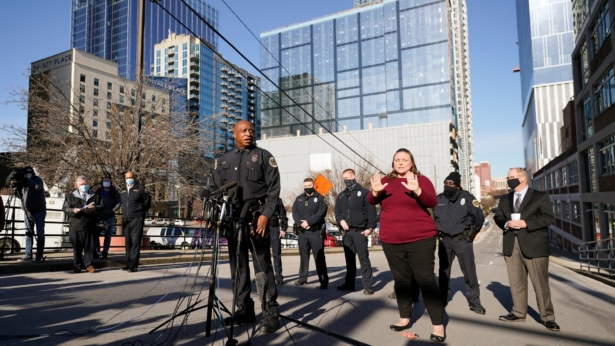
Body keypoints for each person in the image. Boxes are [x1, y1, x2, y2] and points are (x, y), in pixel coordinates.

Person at [209, 120, 281, 334]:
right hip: (233, 220)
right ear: (234, 134)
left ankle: (270, 311)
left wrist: (266, 216)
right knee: (238, 269)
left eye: (251, 130)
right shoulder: (223, 160)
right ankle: (244, 309)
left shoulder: (264, 156)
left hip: (256, 219)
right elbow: (213, 187)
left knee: (262, 268)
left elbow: (273, 191)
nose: (248, 133)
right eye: (243, 130)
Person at [367, 148, 445, 342]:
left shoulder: (422, 179)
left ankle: (438, 325)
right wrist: (375, 191)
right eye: (397, 160)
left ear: (411, 162)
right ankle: (404, 318)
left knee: (425, 279)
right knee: (401, 280)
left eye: (405, 160)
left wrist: (416, 189)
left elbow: (432, 201)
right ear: (393, 162)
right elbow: (371, 200)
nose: (400, 162)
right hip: (391, 240)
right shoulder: (385, 181)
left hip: (421, 238)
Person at [494, 167, 560, 332]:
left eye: (511, 177)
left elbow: (548, 217)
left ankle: (548, 317)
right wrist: (506, 223)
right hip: (511, 244)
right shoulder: (504, 199)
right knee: (516, 283)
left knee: (540, 284)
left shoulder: (539, 196)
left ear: (522, 178)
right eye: (507, 177)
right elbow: (498, 216)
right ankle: (518, 312)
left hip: (535, 245)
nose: (509, 180)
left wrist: (526, 224)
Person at [434, 172, 485, 314]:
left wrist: (471, 234)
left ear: (457, 185)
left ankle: (475, 302)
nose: (448, 186)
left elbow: (479, 218)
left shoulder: (468, 198)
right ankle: (442, 299)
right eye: (446, 183)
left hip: (462, 241)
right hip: (445, 241)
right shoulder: (438, 199)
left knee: (469, 273)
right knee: (443, 272)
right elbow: (434, 218)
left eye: (451, 184)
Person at [334, 168, 377, 295]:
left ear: (353, 176)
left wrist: (370, 228)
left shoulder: (364, 193)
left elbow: (371, 212)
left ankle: (368, 285)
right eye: (344, 179)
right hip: (347, 233)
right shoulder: (341, 195)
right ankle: (349, 283)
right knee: (349, 260)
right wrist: (341, 221)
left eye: (347, 178)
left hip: (360, 231)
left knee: (364, 259)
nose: (345, 181)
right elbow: (337, 212)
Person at [292, 178, 329, 289]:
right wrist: (300, 223)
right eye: (305, 186)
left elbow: (320, 214)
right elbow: (295, 213)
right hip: (302, 232)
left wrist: (309, 222)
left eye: (309, 185)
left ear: (314, 185)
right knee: (303, 256)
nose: (307, 187)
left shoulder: (321, 198)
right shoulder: (299, 199)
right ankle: (302, 278)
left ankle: (323, 280)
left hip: (315, 232)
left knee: (319, 256)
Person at [62, 176, 103, 273]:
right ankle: (77, 265)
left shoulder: (95, 195)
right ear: (76, 185)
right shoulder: (70, 196)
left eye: (85, 184)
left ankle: (89, 265)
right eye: (82, 184)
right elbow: (65, 208)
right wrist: (73, 210)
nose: (84, 186)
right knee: (77, 247)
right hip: (76, 226)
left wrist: (95, 208)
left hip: (90, 225)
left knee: (89, 247)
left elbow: (102, 206)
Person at [12, 167, 47, 262]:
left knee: (40, 233)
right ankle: (28, 254)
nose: (28, 174)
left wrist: (27, 179)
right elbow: (20, 196)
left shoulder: (37, 179)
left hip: (39, 210)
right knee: (28, 233)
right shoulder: (23, 182)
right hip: (27, 211)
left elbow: (36, 187)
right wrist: (16, 187)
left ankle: (39, 255)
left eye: (29, 172)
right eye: (26, 173)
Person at [119, 170, 151, 272]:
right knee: (128, 242)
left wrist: (139, 208)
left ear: (134, 177)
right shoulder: (123, 189)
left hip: (137, 218)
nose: (129, 179)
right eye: (127, 178)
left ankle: (134, 265)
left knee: (135, 242)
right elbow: (120, 202)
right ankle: (129, 263)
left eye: (130, 177)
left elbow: (147, 202)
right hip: (126, 218)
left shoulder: (140, 188)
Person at [94, 176, 122, 259]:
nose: (106, 182)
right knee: (96, 234)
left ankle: (105, 251)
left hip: (110, 216)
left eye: (108, 181)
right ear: (102, 182)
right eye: (104, 181)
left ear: (110, 182)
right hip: (99, 216)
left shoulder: (114, 191)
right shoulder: (98, 191)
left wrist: (113, 210)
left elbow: (119, 202)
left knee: (108, 235)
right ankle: (97, 251)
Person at [270, 197, 288, 285]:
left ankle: (278, 276)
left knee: (276, 253)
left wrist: (283, 228)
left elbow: (283, 214)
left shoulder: (277, 199)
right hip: (262, 227)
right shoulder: (259, 197)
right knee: (261, 254)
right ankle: (262, 275)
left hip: (274, 228)